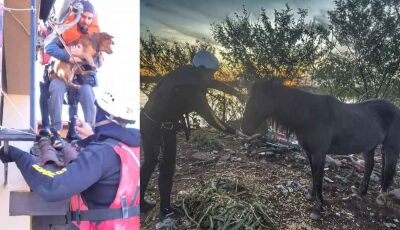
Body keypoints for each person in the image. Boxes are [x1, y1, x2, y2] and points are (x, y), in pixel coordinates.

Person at [0, 92, 141, 229]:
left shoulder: (102, 152)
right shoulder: (132, 147)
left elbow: (52, 187)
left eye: (95, 109)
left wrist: (18, 155)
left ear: (101, 115)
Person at [140, 50, 246, 220]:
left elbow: (216, 84)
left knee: (150, 162)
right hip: (160, 127)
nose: (212, 76)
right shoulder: (192, 90)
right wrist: (233, 131)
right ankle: (165, 210)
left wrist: (237, 94)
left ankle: (139, 202)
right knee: (167, 168)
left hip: (146, 119)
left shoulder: (187, 73)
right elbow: (211, 118)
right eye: (211, 72)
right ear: (202, 70)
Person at [44, 0, 101, 141]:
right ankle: (55, 132)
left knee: (88, 93)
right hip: (63, 75)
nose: (86, 21)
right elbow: (49, 48)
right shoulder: (65, 31)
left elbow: (98, 63)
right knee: (56, 88)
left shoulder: (94, 39)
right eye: (84, 17)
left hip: (82, 78)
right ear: (77, 15)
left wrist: (83, 57)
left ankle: (89, 132)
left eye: (89, 18)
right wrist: (68, 56)